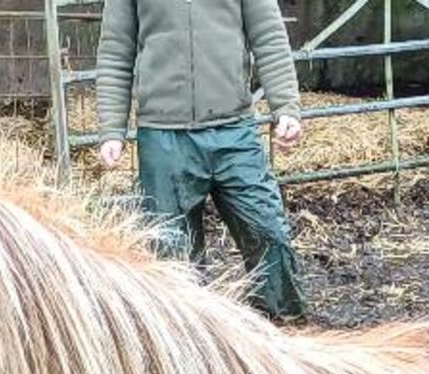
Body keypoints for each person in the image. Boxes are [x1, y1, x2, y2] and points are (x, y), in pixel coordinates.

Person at [94, 0, 309, 322]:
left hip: (234, 130)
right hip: (163, 136)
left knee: (267, 233)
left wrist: (286, 107)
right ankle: (192, 344)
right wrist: (112, 128)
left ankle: (286, 331)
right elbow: (115, 52)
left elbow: (268, 36)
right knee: (171, 254)